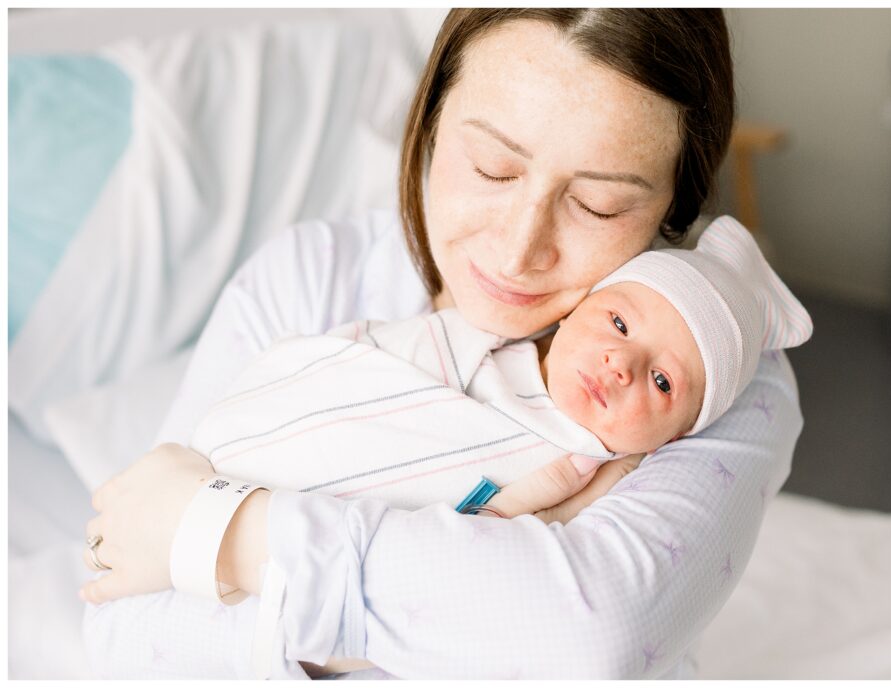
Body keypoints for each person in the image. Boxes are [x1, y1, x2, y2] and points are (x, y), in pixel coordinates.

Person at [81, 9, 806, 679]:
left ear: (672, 213)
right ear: (427, 121)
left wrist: (230, 533)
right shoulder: (308, 281)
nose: (520, 249)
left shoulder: (713, 373)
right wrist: (481, 577)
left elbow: (591, 637)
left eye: (598, 205)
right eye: (493, 167)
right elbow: (122, 616)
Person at [185, 216, 811, 519]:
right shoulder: (475, 343)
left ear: (677, 434)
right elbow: (357, 362)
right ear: (572, 315)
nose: (622, 364)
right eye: (618, 323)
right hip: (241, 470)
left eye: (663, 380)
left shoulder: (607, 486)